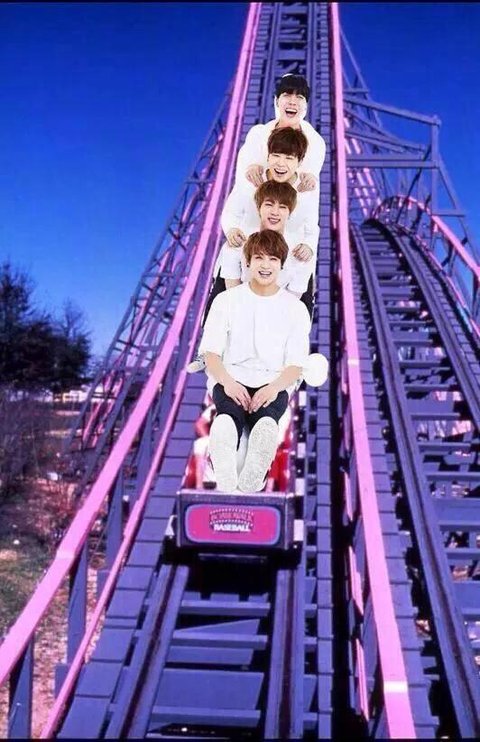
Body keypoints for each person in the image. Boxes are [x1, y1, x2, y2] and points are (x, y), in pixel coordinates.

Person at [198, 230, 310, 493]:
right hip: (230, 377)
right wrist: (228, 383)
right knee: (231, 411)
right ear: (247, 262)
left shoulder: (295, 309)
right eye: (259, 258)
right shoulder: (225, 301)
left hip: (273, 381)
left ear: (282, 265)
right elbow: (211, 354)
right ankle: (226, 453)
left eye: (273, 259)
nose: (265, 265)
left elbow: (295, 365)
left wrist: (272, 388)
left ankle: (254, 456)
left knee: (264, 416)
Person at [235, 73, 326, 193]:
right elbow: (245, 165)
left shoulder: (316, 143)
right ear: (277, 101)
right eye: (287, 95)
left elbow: (311, 175)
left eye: (299, 97)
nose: (292, 102)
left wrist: (311, 178)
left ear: (305, 106)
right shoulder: (257, 134)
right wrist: (250, 167)